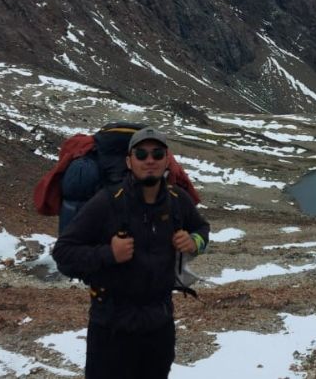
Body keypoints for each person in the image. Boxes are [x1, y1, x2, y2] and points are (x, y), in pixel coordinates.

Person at [52, 126, 210, 379]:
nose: (150, 160)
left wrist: (195, 241)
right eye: (141, 154)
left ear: (167, 160)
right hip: (111, 328)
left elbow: (202, 228)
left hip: (159, 327)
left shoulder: (178, 199)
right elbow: (63, 251)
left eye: (157, 154)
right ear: (129, 161)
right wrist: (109, 254)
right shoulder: (106, 202)